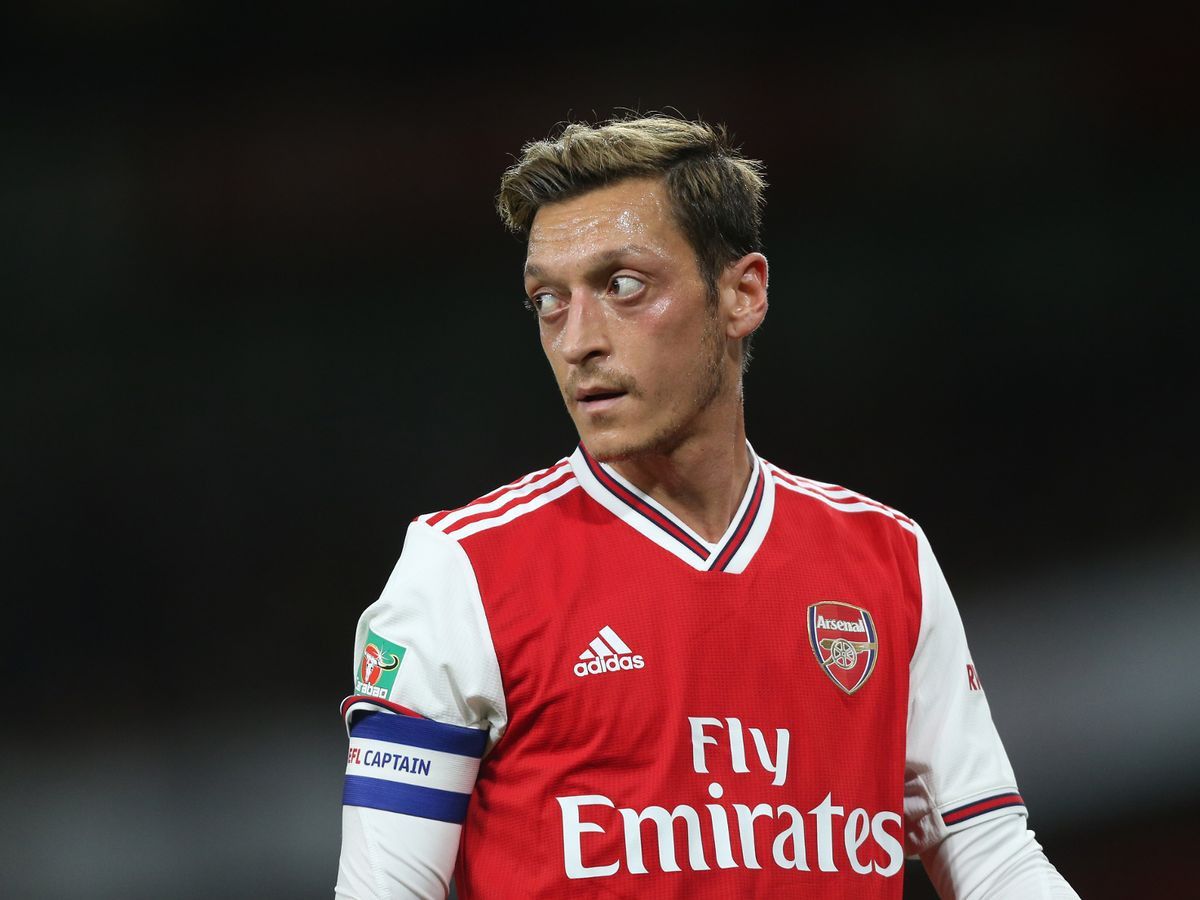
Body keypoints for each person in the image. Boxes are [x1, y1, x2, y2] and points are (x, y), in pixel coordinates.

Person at [334, 115, 1078, 899]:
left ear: (741, 294)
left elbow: (991, 855)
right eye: (548, 301)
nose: (577, 340)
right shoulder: (461, 572)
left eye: (624, 286)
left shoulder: (886, 558)